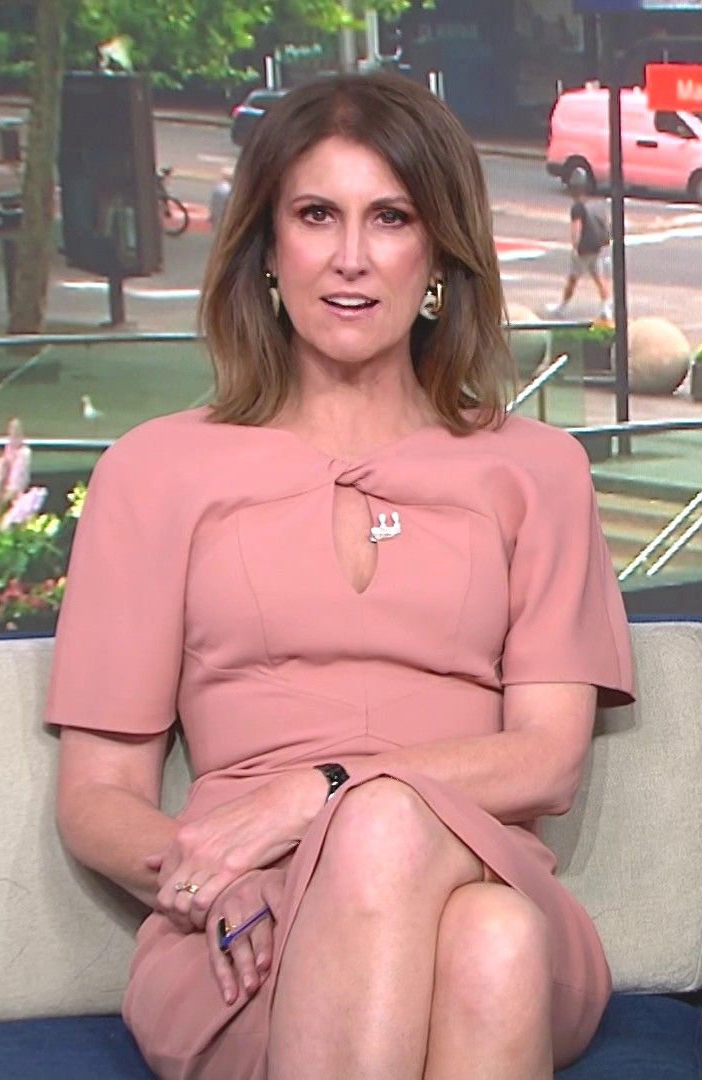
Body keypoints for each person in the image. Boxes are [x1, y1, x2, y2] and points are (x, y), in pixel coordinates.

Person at [48, 73, 633, 1080]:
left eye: (391, 218)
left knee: (416, 849)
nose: (351, 257)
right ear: (267, 248)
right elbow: (97, 796)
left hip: (480, 864)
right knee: (491, 945)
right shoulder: (154, 471)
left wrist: (318, 794)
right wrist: (205, 879)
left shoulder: (537, 470)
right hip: (248, 920)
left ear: (438, 254)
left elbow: (546, 760)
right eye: (317, 214)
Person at [546, 179, 612, 321]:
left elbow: (577, 228)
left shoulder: (577, 207)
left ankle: (562, 307)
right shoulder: (596, 204)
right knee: (599, 277)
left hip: (583, 249)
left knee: (573, 279)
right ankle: (606, 307)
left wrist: (575, 246)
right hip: (596, 247)